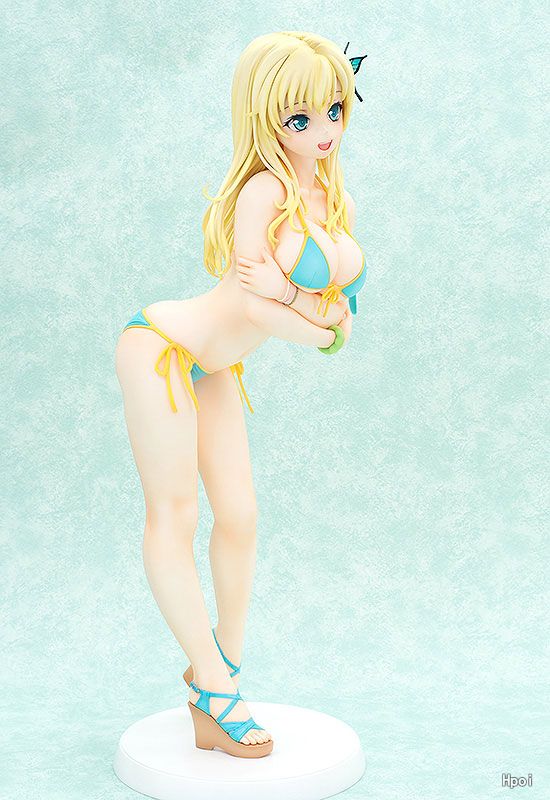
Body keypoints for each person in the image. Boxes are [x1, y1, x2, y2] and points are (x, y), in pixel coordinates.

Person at [114, 30, 366, 759]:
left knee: (242, 516)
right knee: (175, 513)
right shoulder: (264, 191)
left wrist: (304, 306)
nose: (323, 131)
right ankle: (217, 686)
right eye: (300, 118)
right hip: (163, 348)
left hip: (216, 365)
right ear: (266, 118)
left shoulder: (328, 193)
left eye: (333, 110)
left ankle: (218, 668)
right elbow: (260, 306)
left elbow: (334, 308)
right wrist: (319, 323)